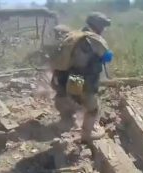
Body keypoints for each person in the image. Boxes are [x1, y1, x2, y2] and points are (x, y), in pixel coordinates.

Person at [50, 12, 113, 141]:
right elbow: (108, 57)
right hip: (87, 80)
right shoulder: (95, 39)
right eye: (103, 26)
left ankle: (66, 122)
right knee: (92, 109)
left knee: (74, 100)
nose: (104, 29)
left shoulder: (74, 35)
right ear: (98, 26)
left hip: (73, 77)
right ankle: (87, 134)